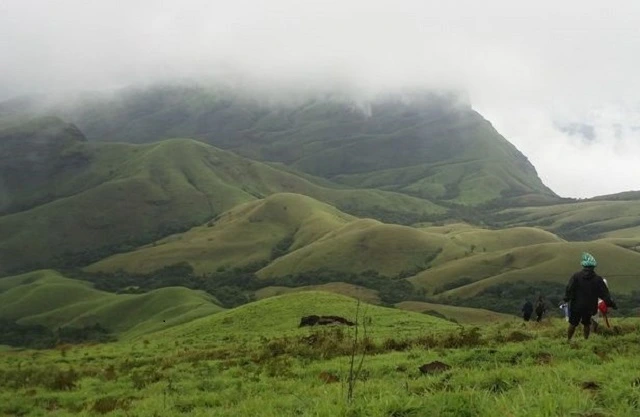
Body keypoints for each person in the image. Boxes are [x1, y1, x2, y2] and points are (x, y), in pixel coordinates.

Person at [563, 253, 617, 341]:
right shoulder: (598, 279)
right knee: (587, 324)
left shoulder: (576, 276)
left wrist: (566, 299)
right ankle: (586, 341)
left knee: (573, 324)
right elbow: (604, 295)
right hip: (590, 307)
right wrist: (612, 304)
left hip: (576, 305)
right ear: (593, 267)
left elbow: (569, 289)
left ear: (583, 265)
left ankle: (568, 340)